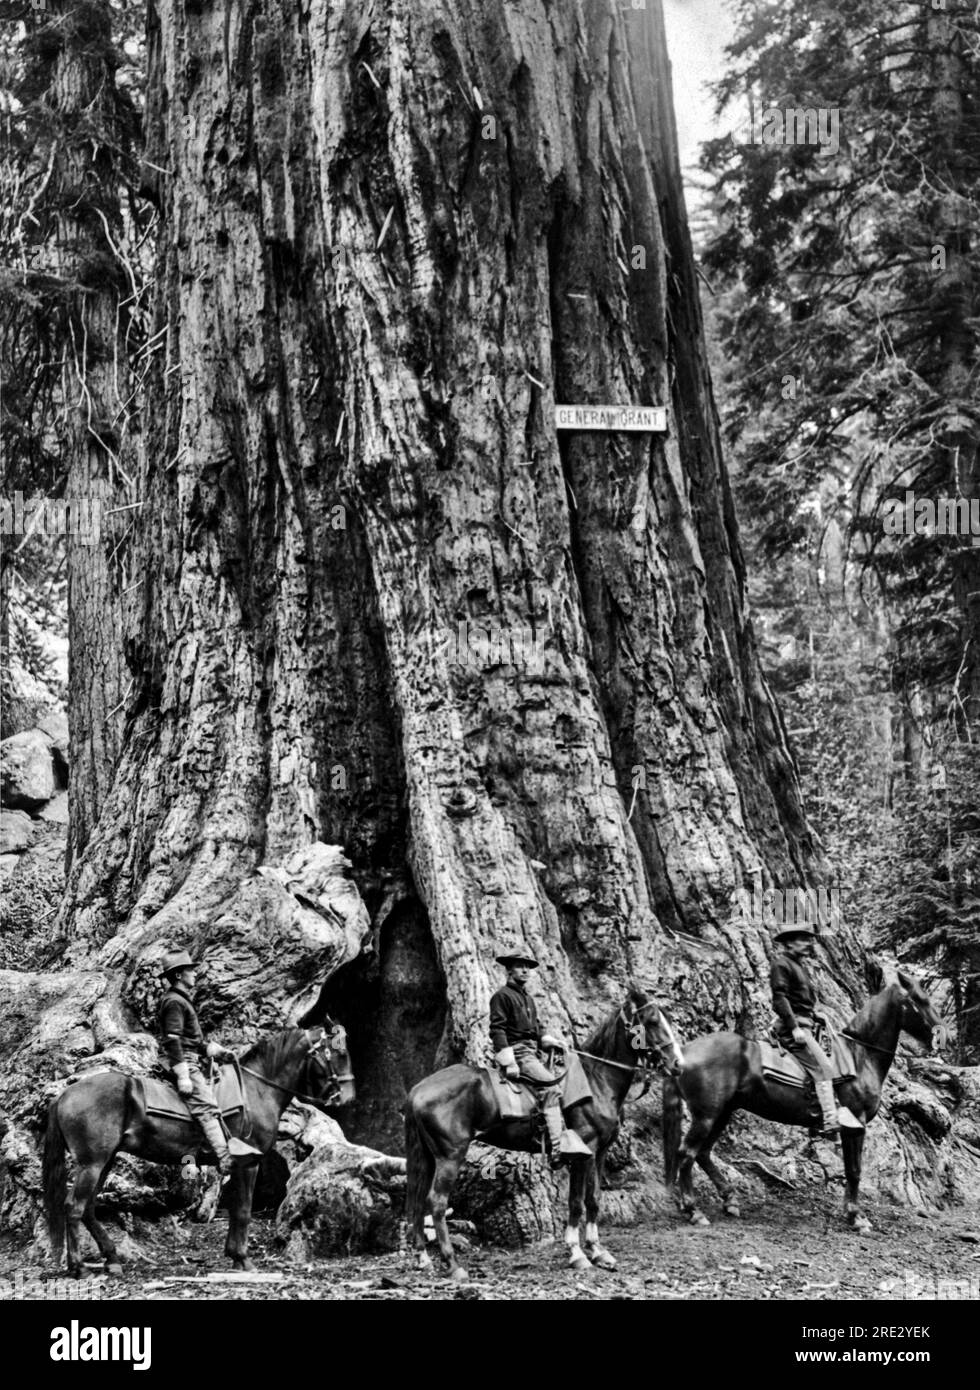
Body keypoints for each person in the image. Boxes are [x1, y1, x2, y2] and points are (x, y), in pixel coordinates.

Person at [489, 951, 590, 1167]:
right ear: (509, 970)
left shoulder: (528, 998)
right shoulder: (502, 996)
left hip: (534, 1052)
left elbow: (536, 1027)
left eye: (528, 967)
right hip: (519, 1053)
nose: (525, 970)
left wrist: (548, 1040)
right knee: (551, 1088)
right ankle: (557, 1148)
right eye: (519, 966)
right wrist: (509, 1060)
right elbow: (497, 1029)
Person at [157, 950, 246, 1175]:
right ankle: (225, 1159)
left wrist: (211, 1049)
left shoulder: (181, 999)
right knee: (207, 1106)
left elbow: (190, 1039)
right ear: (178, 975)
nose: (194, 973)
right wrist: (184, 1074)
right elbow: (173, 1038)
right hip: (184, 1062)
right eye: (190, 970)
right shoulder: (174, 1001)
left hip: (192, 1056)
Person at [770, 925, 861, 1138]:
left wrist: (815, 1014)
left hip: (807, 1022)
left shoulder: (799, 966)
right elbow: (779, 999)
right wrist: (794, 1028)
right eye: (803, 939)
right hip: (793, 1027)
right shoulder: (781, 964)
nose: (809, 943)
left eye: (809, 939)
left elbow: (800, 1000)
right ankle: (829, 1121)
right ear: (789, 942)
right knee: (823, 1067)